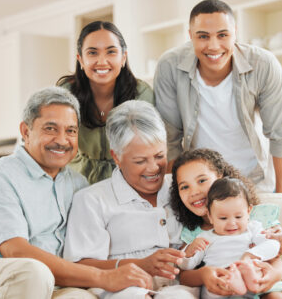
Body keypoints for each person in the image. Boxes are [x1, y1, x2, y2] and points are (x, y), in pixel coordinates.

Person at [0, 87, 152, 299]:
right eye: (50, 129)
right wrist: (102, 277)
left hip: (49, 282)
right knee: (33, 272)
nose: (62, 140)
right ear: (25, 131)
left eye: (71, 131)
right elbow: (16, 253)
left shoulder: (78, 184)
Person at [154, 0, 282, 193]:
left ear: (235, 33)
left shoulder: (263, 64)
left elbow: (281, 135)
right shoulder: (169, 66)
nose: (213, 46)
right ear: (190, 36)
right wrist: (173, 198)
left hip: (254, 182)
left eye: (223, 35)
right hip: (200, 185)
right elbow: (170, 141)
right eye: (203, 36)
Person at [64, 100, 198, 299]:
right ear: (116, 157)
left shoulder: (184, 187)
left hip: (180, 287)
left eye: (159, 156)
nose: (153, 168)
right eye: (140, 161)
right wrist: (139, 265)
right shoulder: (92, 200)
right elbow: (80, 266)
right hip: (125, 290)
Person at [170, 148, 282, 299]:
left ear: (220, 177)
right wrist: (203, 274)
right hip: (223, 289)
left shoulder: (252, 221)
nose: (194, 192)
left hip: (260, 286)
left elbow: (277, 260)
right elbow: (183, 275)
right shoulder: (194, 234)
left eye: (202, 180)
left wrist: (273, 274)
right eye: (185, 187)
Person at [57, 20, 153, 184]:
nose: (102, 61)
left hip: (128, 181)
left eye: (111, 52)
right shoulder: (66, 91)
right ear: (80, 59)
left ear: (123, 57)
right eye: (93, 53)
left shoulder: (141, 93)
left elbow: (149, 148)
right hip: (76, 180)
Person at [180, 177, 282, 298]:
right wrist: (189, 252)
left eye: (238, 217)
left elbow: (273, 245)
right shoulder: (205, 238)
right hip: (220, 285)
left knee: (254, 270)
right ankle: (233, 280)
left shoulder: (253, 229)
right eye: (223, 218)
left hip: (250, 283)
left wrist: (249, 256)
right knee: (221, 282)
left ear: (249, 211)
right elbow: (186, 266)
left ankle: (246, 278)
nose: (232, 223)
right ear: (210, 216)